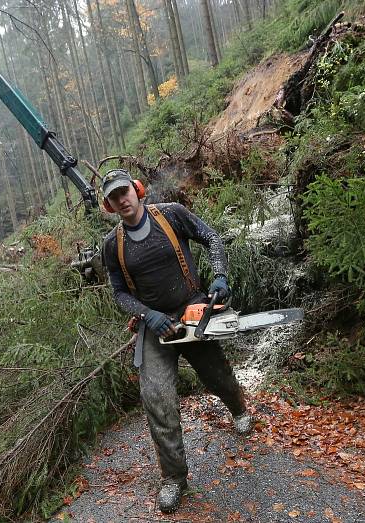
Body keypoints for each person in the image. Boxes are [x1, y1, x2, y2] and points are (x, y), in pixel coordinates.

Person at [100, 169, 252, 514]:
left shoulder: (171, 214)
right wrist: (146, 315)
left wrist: (220, 276)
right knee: (157, 398)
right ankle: (174, 478)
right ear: (108, 205)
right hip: (155, 326)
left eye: (125, 191)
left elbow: (211, 238)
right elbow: (120, 293)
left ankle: (238, 408)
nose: (122, 199)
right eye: (113, 196)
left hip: (191, 310)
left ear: (137, 190)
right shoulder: (113, 245)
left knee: (217, 377)